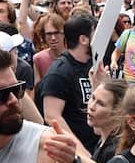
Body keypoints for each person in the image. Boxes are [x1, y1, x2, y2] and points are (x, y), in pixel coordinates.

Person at [41, 13, 100, 153]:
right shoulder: (59, 72)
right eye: (96, 33)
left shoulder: (93, 64)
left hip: (96, 147)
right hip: (78, 155)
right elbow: (52, 116)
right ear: (84, 39)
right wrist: (79, 150)